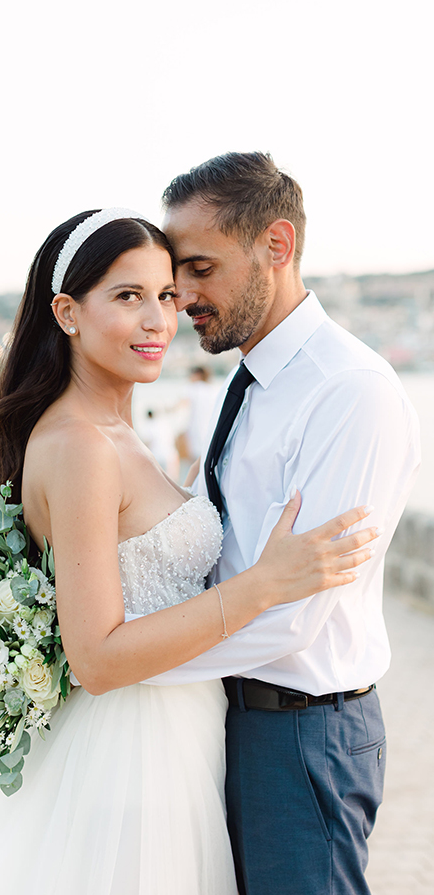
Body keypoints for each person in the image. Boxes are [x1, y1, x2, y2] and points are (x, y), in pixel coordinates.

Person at [0, 207, 378, 895]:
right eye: (128, 297)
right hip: (134, 757)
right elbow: (98, 656)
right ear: (67, 312)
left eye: (167, 295)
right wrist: (263, 586)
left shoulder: (118, 429)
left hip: (184, 736)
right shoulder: (81, 444)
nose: (158, 321)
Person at [141, 153, 421, 895]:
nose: (183, 296)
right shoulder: (253, 379)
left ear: (277, 245)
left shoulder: (348, 393)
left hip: (302, 732)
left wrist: (125, 663)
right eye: (177, 275)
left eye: (200, 268)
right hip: (232, 714)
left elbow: (293, 618)